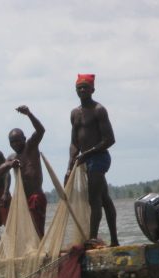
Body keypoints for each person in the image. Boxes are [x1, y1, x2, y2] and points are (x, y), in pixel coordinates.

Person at [65, 74, 119, 247]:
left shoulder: (98, 110)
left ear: (92, 90)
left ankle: (92, 238)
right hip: (86, 160)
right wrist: (70, 165)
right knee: (104, 199)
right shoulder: (74, 113)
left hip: (99, 158)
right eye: (79, 88)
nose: (82, 90)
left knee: (93, 199)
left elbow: (109, 140)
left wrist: (87, 153)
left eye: (85, 87)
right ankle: (115, 240)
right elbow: (74, 143)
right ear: (76, 91)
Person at [0, 105, 47, 238]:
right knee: (25, 232)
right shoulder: (11, 157)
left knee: (37, 228)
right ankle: (31, 253)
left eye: (17, 140)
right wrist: (9, 164)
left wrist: (29, 114)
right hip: (21, 200)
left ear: (24, 139)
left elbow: (41, 130)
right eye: (12, 142)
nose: (15, 144)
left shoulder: (31, 147)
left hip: (35, 196)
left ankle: (42, 255)